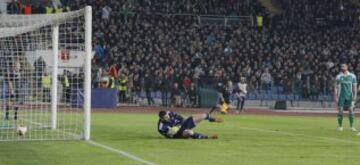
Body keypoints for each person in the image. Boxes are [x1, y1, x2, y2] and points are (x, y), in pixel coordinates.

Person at [157, 110, 223, 139]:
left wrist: (178, 126)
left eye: (167, 116)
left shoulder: (169, 113)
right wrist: (172, 132)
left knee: (203, 115)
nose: (167, 117)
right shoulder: (161, 127)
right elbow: (170, 136)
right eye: (165, 117)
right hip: (178, 133)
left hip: (183, 124)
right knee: (189, 132)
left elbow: (181, 118)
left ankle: (213, 119)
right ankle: (208, 137)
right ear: (161, 118)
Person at [334, 63, 357, 132]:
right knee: (340, 111)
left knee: (351, 110)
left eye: (343, 66)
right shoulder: (338, 76)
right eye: (341, 66)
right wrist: (335, 96)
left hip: (349, 96)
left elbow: (354, 86)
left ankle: (352, 127)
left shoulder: (352, 76)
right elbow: (336, 87)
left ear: (347, 67)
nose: (342, 67)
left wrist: (355, 95)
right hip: (341, 96)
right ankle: (340, 126)